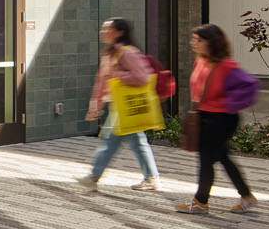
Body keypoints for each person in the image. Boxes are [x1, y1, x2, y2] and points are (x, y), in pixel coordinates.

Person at [177, 24, 258, 215]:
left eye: (198, 40)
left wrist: (229, 103)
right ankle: (247, 196)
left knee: (206, 160)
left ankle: (200, 202)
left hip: (221, 119)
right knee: (222, 158)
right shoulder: (202, 61)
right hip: (206, 116)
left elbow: (251, 85)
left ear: (211, 42)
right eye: (193, 39)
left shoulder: (226, 66)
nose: (193, 43)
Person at [80, 18, 160, 193]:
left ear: (119, 32)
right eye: (103, 29)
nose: (103, 32)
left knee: (111, 142)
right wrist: (96, 105)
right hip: (118, 106)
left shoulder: (127, 53)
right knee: (135, 142)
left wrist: (117, 76)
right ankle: (151, 178)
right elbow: (101, 82)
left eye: (107, 29)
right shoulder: (109, 53)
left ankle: (94, 177)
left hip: (125, 107)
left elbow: (142, 77)